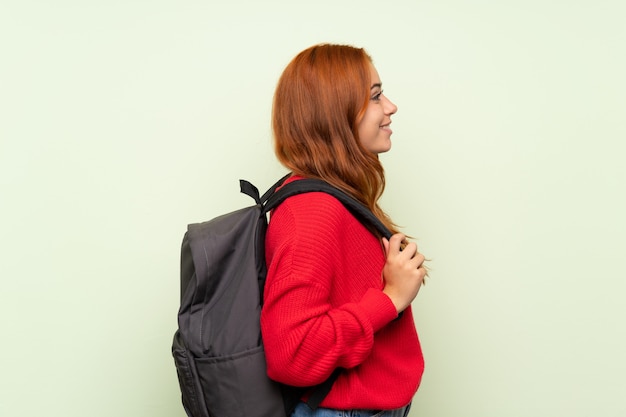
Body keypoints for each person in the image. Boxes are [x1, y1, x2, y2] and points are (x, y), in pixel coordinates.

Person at [261, 43, 427, 417]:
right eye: (375, 97)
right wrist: (390, 299)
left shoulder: (335, 197)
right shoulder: (312, 211)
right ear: (334, 114)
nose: (390, 107)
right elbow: (293, 352)